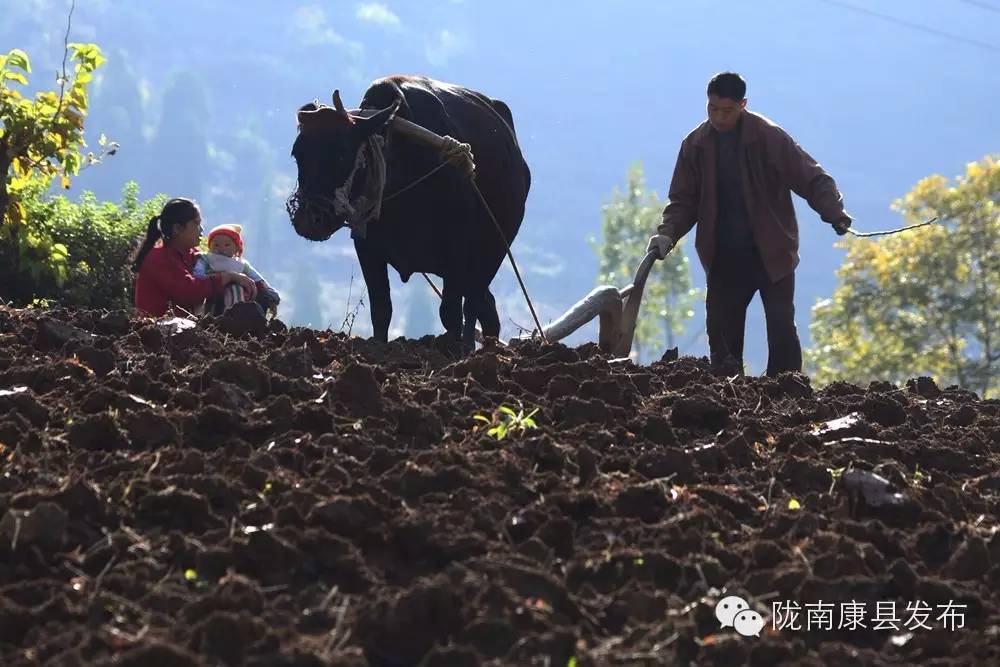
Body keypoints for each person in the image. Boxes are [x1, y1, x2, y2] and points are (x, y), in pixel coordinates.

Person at [647, 72, 853, 377]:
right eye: (712, 109)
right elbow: (683, 200)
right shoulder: (695, 146)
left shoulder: (768, 137)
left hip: (772, 252)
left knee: (781, 328)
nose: (718, 117)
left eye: (727, 110)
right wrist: (667, 234)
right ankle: (728, 399)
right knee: (722, 335)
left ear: (743, 104)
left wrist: (834, 211)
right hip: (723, 255)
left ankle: (787, 395)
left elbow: (810, 176)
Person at [132, 198, 257, 317]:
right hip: (160, 330)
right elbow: (189, 291)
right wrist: (229, 276)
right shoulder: (158, 258)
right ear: (177, 229)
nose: (201, 229)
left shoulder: (194, 255)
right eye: (196, 223)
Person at [193, 223, 281, 315]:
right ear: (210, 247)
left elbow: (257, 279)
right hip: (213, 294)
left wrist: (269, 292)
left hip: (239, 297)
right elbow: (198, 274)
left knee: (236, 289)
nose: (221, 249)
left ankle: (237, 314)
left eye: (227, 245)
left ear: (236, 248)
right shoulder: (206, 258)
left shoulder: (241, 264)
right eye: (216, 245)